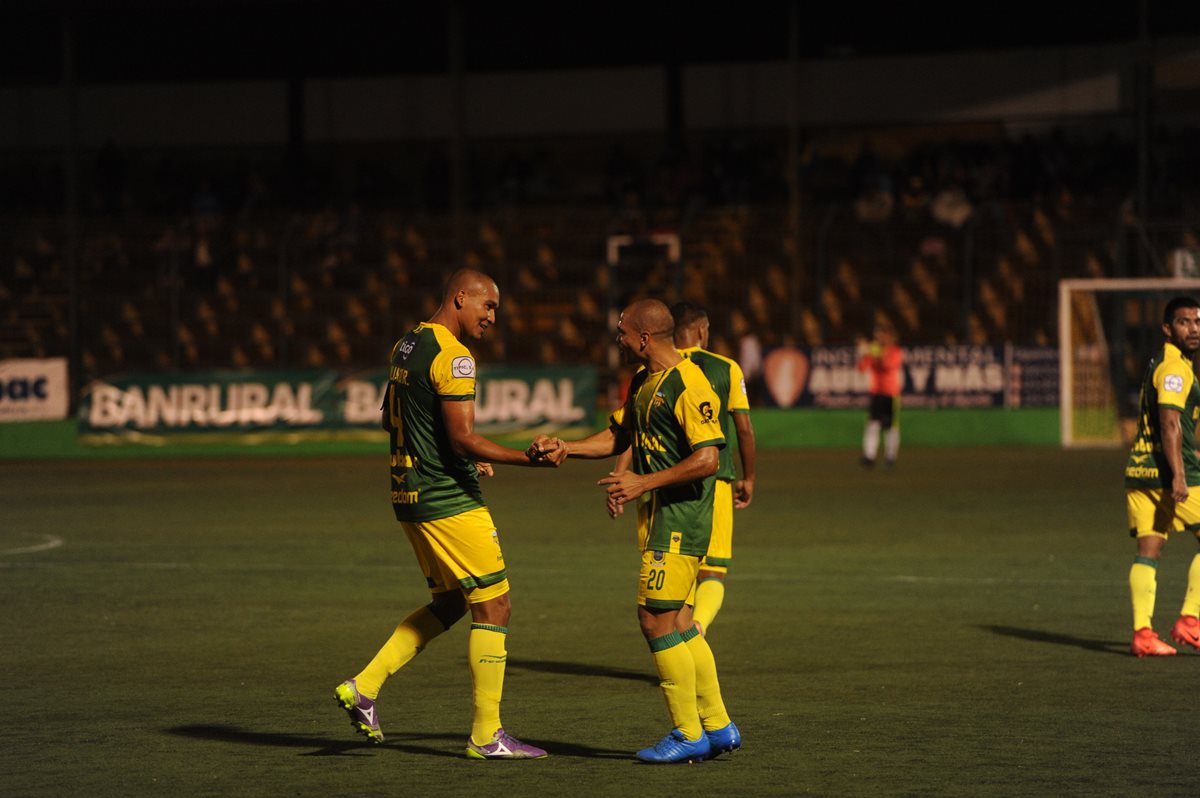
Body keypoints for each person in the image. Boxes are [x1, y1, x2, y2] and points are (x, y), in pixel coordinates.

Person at [334, 268, 563, 758]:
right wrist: (527, 458)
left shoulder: (408, 344)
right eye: (489, 306)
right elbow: (460, 436)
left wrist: (457, 451)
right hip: (446, 498)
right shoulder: (456, 357)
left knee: (451, 603)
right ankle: (487, 735)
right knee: (494, 605)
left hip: (407, 494)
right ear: (461, 298)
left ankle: (364, 687)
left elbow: (388, 417)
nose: (493, 317)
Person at [535, 298, 740, 764]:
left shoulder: (690, 383)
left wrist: (641, 482)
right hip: (666, 514)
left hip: (682, 519)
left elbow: (709, 457)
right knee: (682, 623)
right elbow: (617, 436)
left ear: (644, 338)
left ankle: (688, 733)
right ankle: (719, 725)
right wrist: (566, 446)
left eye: (623, 333)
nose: (619, 340)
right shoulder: (646, 382)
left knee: (653, 621)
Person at [614, 301, 756, 635]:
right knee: (712, 570)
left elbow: (633, 433)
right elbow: (744, 429)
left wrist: (622, 475)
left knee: (672, 581)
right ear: (702, 331)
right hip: (711, 482)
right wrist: (749, 477)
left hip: (655, 482)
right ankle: (697, 629)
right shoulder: (726, 368)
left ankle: (682, 637)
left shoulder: (650, 372)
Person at [1124, 296, 1200, 657]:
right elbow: (1170, 423)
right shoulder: (1174, 368)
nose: (1194, 328)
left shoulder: (1164, 362)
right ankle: (1191, 620)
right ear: (1168, 329)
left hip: (1139, 470)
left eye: (1198, 321)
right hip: (1166, 473)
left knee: (1148, 551)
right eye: (1184, 322)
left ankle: (1143, 634)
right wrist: (1180, 475)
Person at [856, 320, 903, 467]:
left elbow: (887, 365)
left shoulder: (895, 351)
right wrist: (864, 355)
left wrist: (873, 353)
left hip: (891, 394)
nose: (879, 338)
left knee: (890, 427)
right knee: (873, 425)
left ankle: (890, 457)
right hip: (876, 392)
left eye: (881, 335)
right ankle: (869, 456)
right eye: (877, 335)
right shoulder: (874, 349)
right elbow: (862, 368)